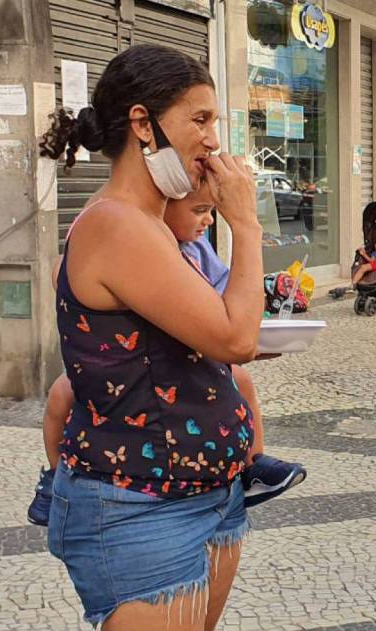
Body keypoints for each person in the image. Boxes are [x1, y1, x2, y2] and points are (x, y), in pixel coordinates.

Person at [37, 44, 264, 630]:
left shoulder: (154, 225)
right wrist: (246, 221)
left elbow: (197, 336)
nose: (214, 140)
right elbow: (235, 337)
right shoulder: (116, 225)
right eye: (200, 119)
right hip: (140, 506)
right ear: (143, 124)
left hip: (203, 495)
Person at [25, 188, 306, 527]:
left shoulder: (197, 250)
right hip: (114, 367)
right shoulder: (127, 242)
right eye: (199, 210)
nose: (208, 220)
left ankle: (253, 464)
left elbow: (224, 294)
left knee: (241, 381)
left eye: (211, 210)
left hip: (190, 359)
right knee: (59, 397)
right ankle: (54, 479)